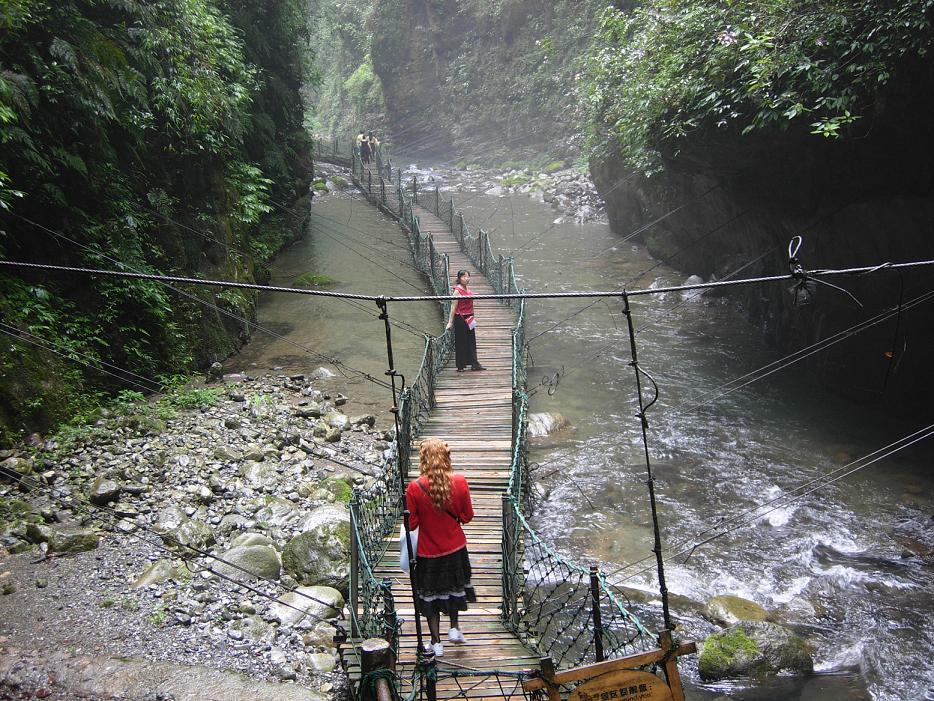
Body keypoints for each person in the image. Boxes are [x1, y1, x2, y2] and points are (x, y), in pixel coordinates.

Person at [405, 438, 475, 658]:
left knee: (430, 598)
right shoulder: (460, 481)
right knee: (454, 589)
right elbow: (467, 516)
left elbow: (411, 524)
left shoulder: (414, 488)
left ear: (423, 459)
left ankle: (436, 643)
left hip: (428, 553)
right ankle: (454, 628)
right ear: (447, 457)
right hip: (455, 548)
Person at [445, 270, 485, 371]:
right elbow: (453, 306)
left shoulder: (467, 288)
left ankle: (474, 363)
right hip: (460, 318)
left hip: (470, 318)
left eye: (468, 276)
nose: (466, 279)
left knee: (472, 341)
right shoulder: (457, 291)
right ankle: (460, 365)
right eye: (464, 277)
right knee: (461, 341)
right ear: (459, 278)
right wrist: (450, 322)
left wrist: (473, 317)